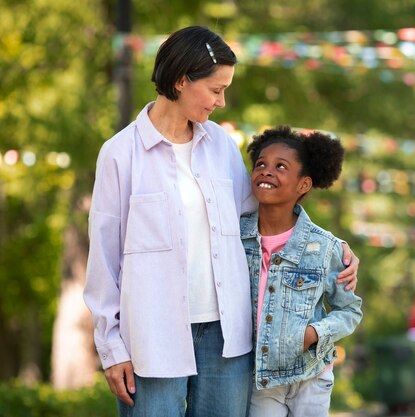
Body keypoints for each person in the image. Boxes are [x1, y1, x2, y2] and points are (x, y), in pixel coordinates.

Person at [83, 26, 358, 417]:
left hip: (226, 339)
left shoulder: (222, 147)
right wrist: (111, 349)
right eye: (215, 90)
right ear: (181, 81)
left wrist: (332, 248)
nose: (222, 102)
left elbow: (264, 216)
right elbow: (104, 262)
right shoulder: (120, 154)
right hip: (151, 337)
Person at [240, 126, 363, 417]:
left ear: (303, 185)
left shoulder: (325, 248)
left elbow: (350, 311)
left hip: (311, 375)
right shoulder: (233, 236)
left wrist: (315, 333)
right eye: (261, 164)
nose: (267, 171)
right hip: (261, 379)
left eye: (281, 166)